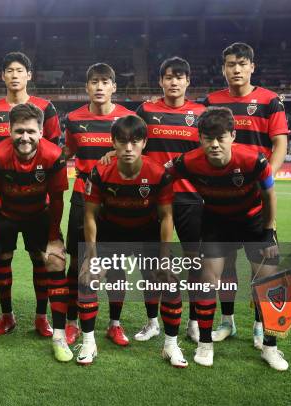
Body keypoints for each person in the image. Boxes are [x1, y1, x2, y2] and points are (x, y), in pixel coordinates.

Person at [167, 107, 287, 370]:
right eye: (208, 138)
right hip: (217, 223)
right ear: (200, 138)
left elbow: (269, 196)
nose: (215, 144)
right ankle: (205, 345)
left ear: (233, 135)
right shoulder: (187, 162)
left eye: (221, 137)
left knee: (269, 282)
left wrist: (268, 232)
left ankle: (270, 348)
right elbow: (159, 174)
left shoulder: (255, 161)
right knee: (208, 280)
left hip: (254, 221)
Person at [0, 103, 70, 361]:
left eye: (31, 131)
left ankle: (55, 332)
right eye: (19, 131)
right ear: (9, 130)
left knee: (54, 261)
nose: (25, 137)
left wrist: (53, 238)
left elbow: (58, 200)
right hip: (4, 215)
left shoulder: (54, 156)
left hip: (39, 216)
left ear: (41, 131)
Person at [203, 43, 288, 347]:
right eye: (229, 64)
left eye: (241, 64)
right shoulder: (211, 101)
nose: (235, 69)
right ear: (223, 69)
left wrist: (265, 176)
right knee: (225, 267)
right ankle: (227, 322)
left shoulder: (270, 101)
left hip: (256, 202)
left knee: (263, 270)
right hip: (221, 201)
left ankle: (259, 326)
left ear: (252, 66)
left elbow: (279, 144)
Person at [79, 115, 180, 366]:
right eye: (122, 141)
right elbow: (90, 215)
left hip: (146, 232)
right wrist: (91, 256)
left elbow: (167, 216)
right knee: (89, 277)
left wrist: (165, 257)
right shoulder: (99, 171)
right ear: (113, 142)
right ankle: (89, 342)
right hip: (111, 231)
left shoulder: (159, 173)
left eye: (134, 141)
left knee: (167, 280)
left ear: (144, 142)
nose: (128, 148)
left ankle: (170, 345)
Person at [0, 52, 62, 337]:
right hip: (4, 201)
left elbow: (51, 147)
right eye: (9, 70)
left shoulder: (46, 108)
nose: (14, 75)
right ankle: (6, 316)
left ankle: (41, 317)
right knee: (2, 258)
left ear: (29, 75)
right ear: (3, 76)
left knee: (42, 259)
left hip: (39, 202)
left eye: (20, 70)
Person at [133, 57, 206, 343]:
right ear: (161, 81)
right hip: (152, 197)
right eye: (168, 77)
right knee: (151, 261)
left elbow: (208, 153)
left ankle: (194, 321)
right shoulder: (147, 110)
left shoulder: (201, 113)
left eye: (179, 77)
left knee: (195, 262)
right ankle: (152, 321)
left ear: (188, 81)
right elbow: (132, 140)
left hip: (190, 197)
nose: (174, 81)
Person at [62, 63, 135, 346]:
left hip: (118, 199)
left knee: (116, 263)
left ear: (114, 87)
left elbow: (139, 153)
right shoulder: (73, 118)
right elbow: (67, 151)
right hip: (83, 195)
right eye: (94, 82)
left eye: (105, 82)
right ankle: (71, 322)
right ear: (87, 87)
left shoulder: (129, 118)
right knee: (78, 261)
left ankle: (114, 324)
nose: (100, 86)